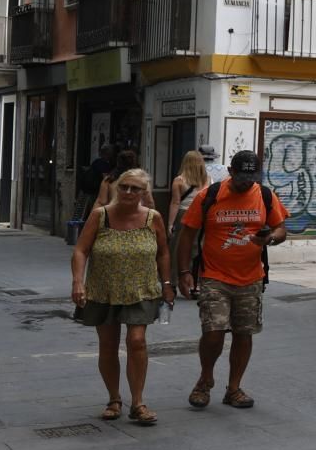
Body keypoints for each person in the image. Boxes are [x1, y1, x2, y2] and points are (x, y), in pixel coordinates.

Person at [176, 150, 289, 410]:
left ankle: (234, 388)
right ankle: (205, 379)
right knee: (213, 332)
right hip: (214, 275)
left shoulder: (264, 195)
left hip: (251, 278)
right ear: (230, 172)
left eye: (251, 177)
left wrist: (270, 237)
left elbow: (281, 228)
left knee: (243, 333)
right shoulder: (209, 195)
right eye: (241, 177)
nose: (246, 182)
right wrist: (183, 273)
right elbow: (187, 235)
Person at [69, 168, 174, 426]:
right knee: (108, 344)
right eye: (124, 186)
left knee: (137, 341)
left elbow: (163, 252)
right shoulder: (100, 216)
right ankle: (114, 399)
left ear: (143, 192)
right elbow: (81, 250)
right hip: (103, 290)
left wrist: (168, 282)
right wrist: (77, 282)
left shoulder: (153, 218)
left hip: (142, 289)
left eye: (135, 188)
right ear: (117, 187)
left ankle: (138, 403)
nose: (128, 192)